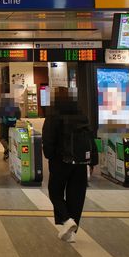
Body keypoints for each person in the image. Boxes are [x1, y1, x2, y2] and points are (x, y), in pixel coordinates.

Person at [42, 88, 98, 243]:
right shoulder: (81, 115)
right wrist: (92, 160)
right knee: (76, 196)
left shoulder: (54, 115)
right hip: (80, 162)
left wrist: (50, 156)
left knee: (55, 192)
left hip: (61, 161)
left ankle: (67, 220)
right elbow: (91, 138)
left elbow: (48, 139)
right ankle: (71, 233)